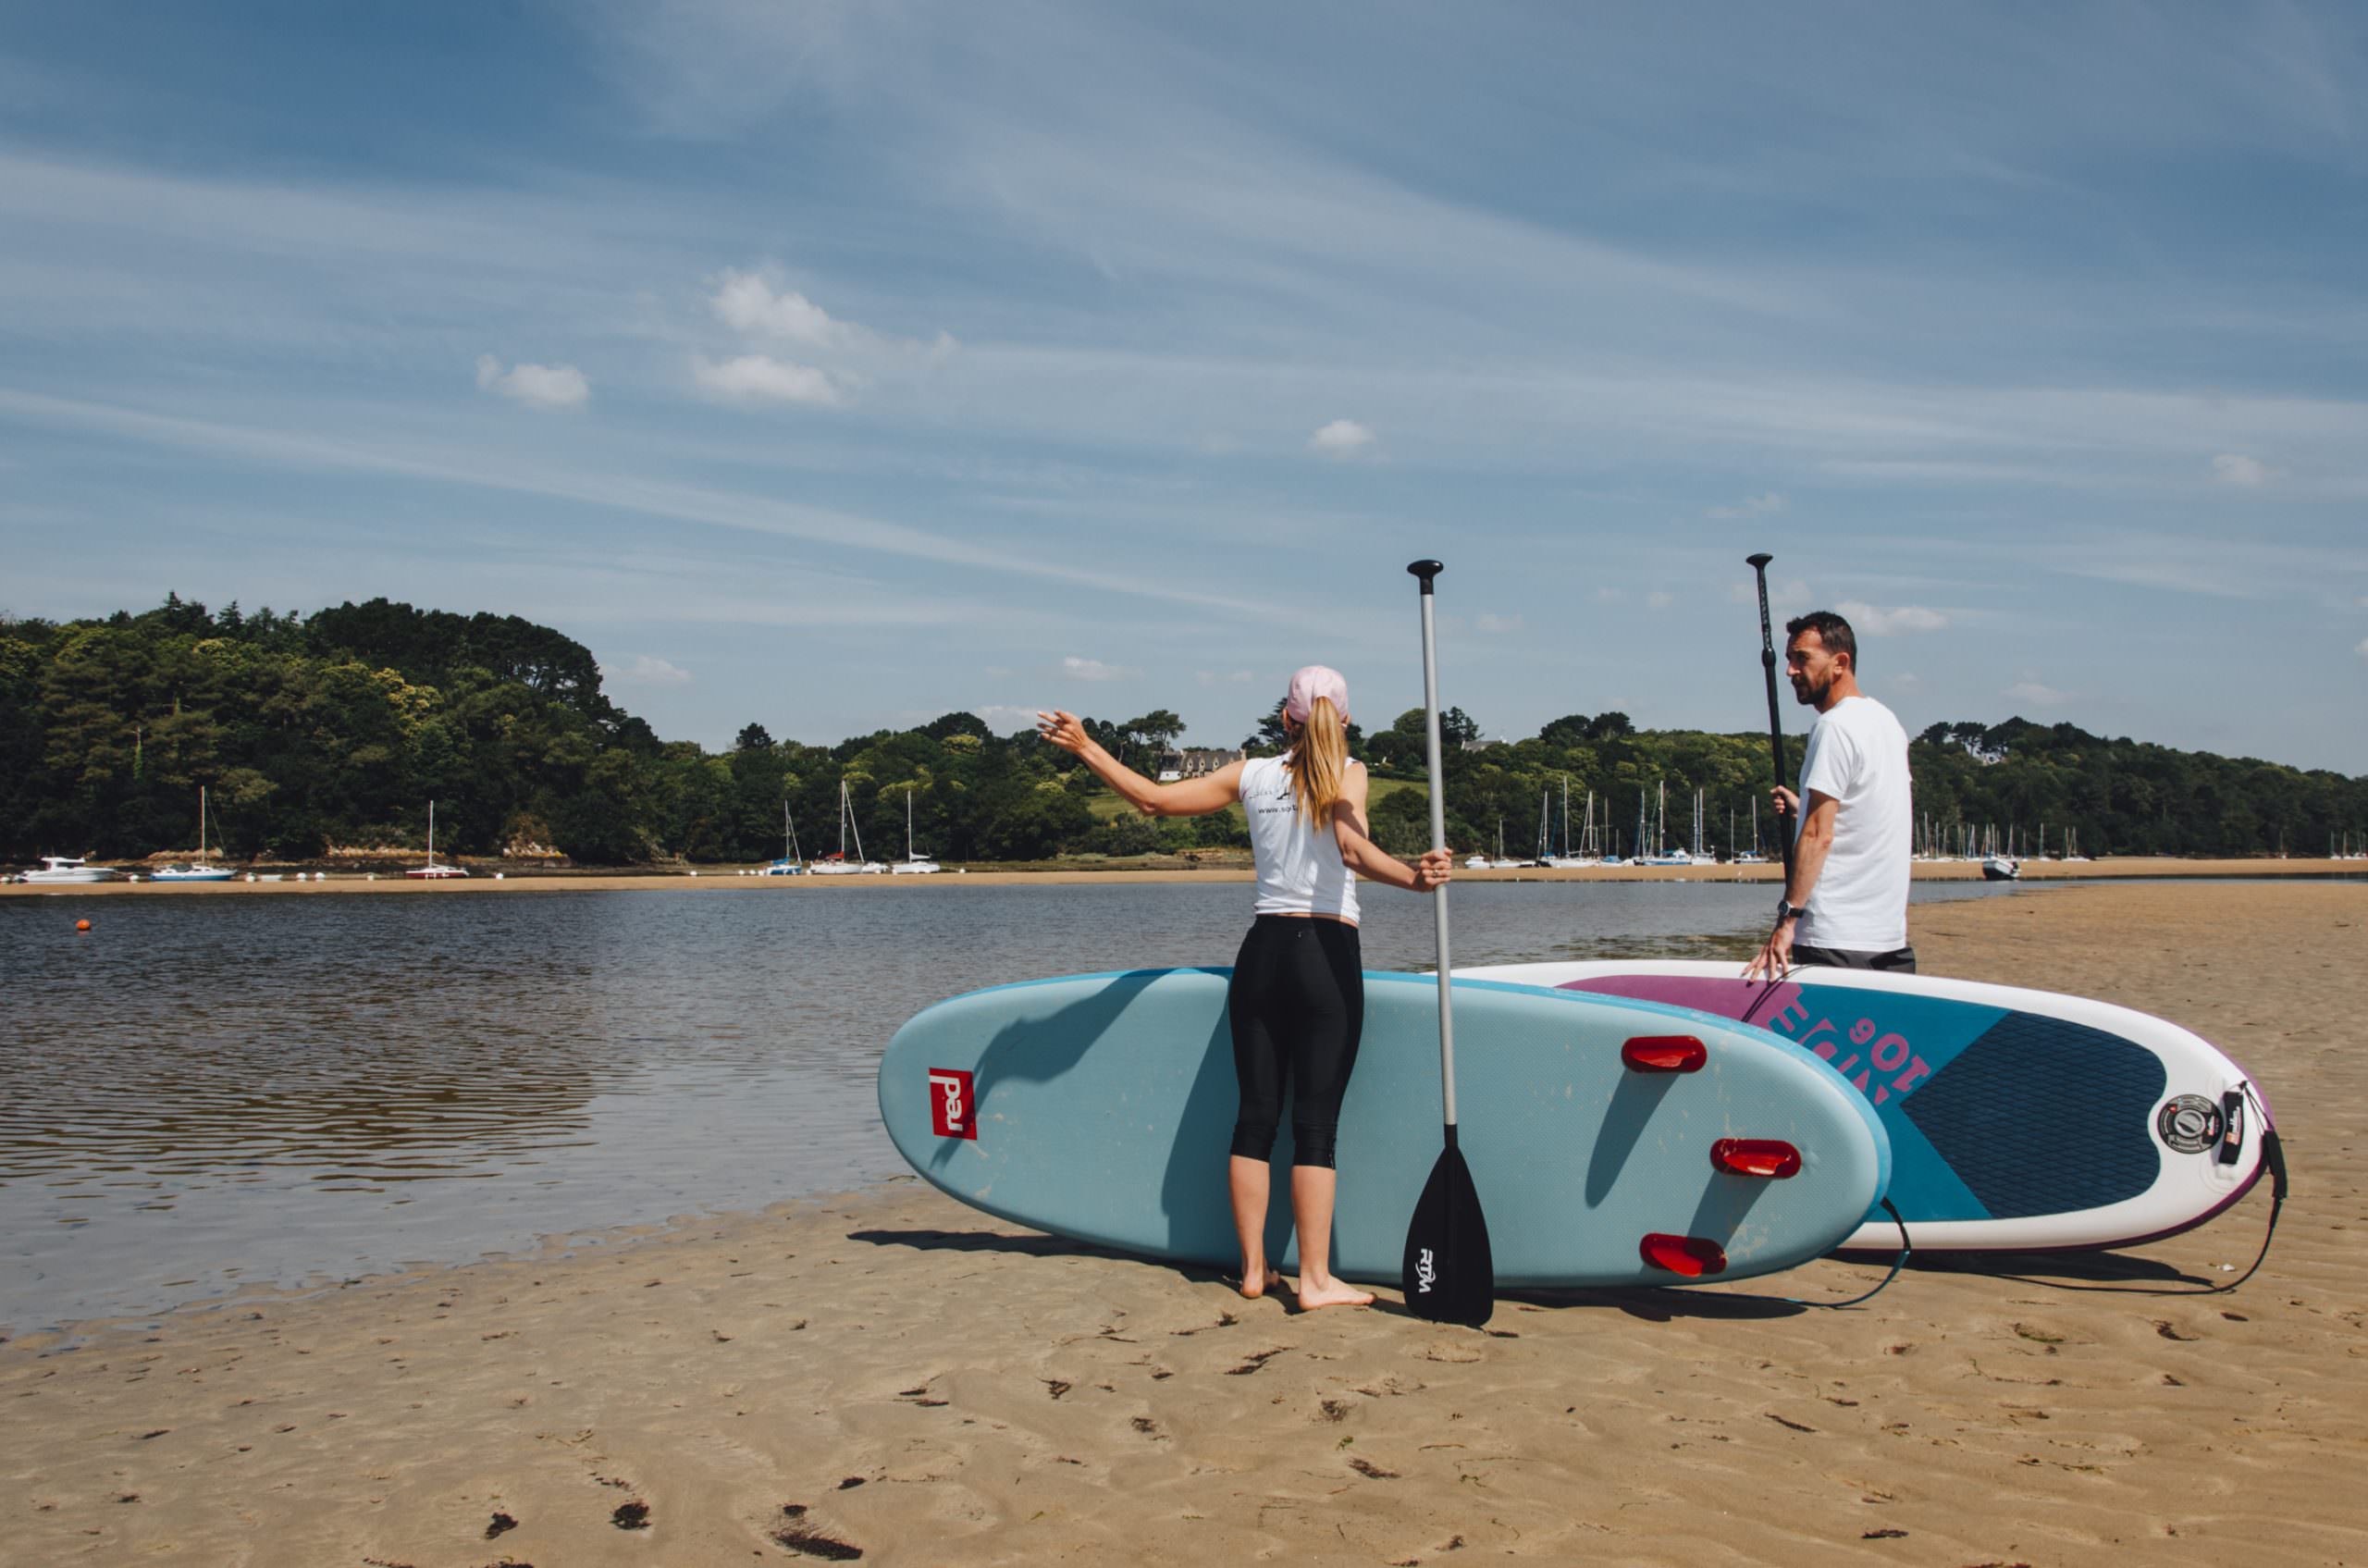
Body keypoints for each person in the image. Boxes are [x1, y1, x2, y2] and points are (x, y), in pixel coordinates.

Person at [1037, 666, 1452, 1312]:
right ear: (1342, 721)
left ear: (1284, 718)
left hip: (1261, 956)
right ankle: (1314, 1280)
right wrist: (1415, 878)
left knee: (1255, 1117)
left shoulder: (1250, 773)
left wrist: (1087, 744)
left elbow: (1153, 799)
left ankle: (1255, 1268)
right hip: (1325, 955)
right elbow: (1350, 846)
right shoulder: (1350, 771)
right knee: (1315, 1126)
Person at [1745, 610, 1915, 980]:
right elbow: (1869, 809)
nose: (1790, 670)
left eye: (1802, 658)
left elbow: (1817, 835)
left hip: (1834, 939)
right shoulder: (1887, 722)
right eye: (1788, 658)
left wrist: (1788, 919)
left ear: (1840, 663)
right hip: (1888, 940)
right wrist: (1802, 807)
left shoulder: (1834, 727)